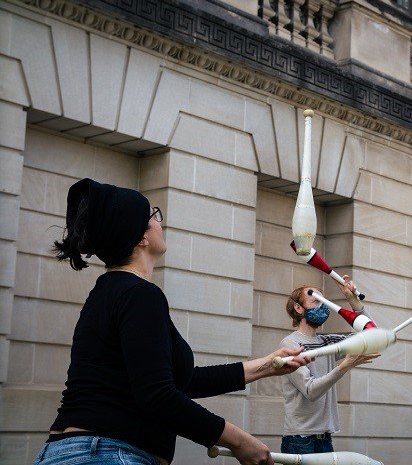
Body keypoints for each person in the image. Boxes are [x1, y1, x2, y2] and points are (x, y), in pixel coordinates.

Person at [35, 178, 310, 465]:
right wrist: (240, 441)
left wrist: (268, 365)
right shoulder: (139, 295)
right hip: (105, 454)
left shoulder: (108, 293)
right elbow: (157, 396)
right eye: (153, 216)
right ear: (141, 237)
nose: (159, 222)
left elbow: (180, 381)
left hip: (76, 451)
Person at [279, 279, 379, 455]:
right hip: (300, 440)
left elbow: (371, 334)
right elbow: (310, 390)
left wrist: (352, 299)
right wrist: (344, 367)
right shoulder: (290, 344)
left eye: (324, 301)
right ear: (298, 308)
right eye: (316, 300)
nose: (322, 306)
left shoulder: (327, 342)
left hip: (325, 438)